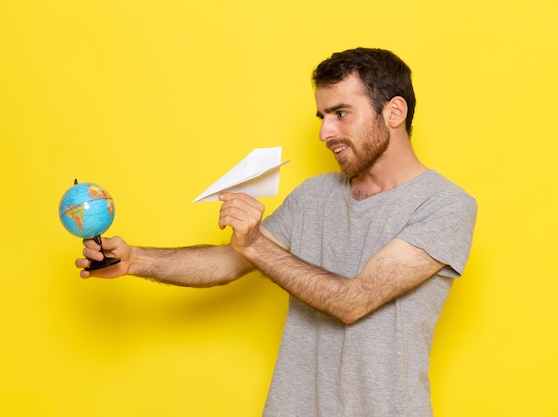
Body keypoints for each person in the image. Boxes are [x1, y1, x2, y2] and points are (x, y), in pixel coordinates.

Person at [76, 47, 477, 417]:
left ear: (394, 112)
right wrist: (136, 259)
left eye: (341, 114)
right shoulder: (314, 195)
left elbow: (354, 301)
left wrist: (255, 245)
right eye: (322, 117)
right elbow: (230, 261)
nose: (324, 133)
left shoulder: (444, 205)